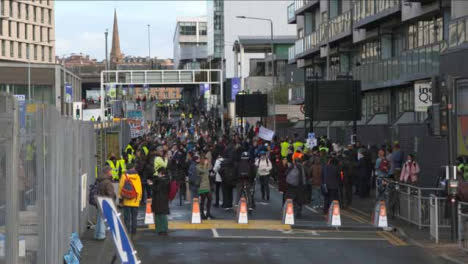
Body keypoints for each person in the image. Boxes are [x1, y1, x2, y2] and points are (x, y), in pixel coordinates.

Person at [118, 163, 142, 238]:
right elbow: (140, 189)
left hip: (127, 200)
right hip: (135, 201)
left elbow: (121, 188)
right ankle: (134, 233)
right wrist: (139, 199)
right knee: (134, 218)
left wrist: (120, 199)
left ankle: (127, 233)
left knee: (127, 218)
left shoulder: (124, 176)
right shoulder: (137, 176)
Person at [94, 166, 116, 240]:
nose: (112, 173)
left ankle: (97, 234)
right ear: (107, 172)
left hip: (99, 200)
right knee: (103, 219)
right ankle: (101, 235)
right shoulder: (107, 182)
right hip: (105, 201)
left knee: (99, 218)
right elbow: (110, 194)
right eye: (111, 171)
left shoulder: (100, 180)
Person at [149, 168, 170, 236]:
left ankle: (161, 229)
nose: (157, 174)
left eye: (158, 173)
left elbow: (156, 189)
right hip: (164, 199)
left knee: (159, 214)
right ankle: (163, 229)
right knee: (162, 214)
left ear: (161, 173)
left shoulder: (161, 181)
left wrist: (151, 184)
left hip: (159, 199)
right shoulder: (167, 180)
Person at [197, 155, 214, 219]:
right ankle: (202, 214)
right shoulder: (198, 166)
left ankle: (208, 213)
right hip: (202, 185)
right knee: (203, 200)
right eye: (205, 160)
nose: (206, 161)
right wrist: (205, 165)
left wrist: (212, 172)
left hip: (208, 185)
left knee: (210, 199)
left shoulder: (207, 166)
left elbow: (210, 172)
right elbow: (202, 172)